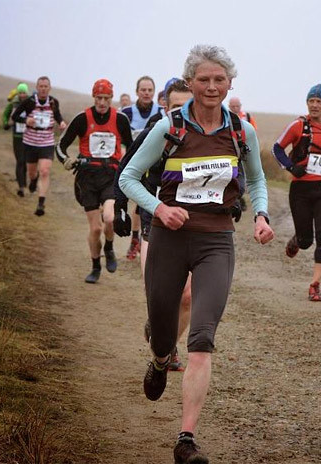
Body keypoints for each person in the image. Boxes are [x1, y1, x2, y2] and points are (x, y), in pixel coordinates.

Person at [120, 44, 274, 464]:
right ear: (189, 82)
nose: (211, 86)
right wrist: (159, 209)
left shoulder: (241, 131)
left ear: (230, 83)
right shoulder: (169, 127)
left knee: (202, 340)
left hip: (216, 241)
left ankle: (186, 439)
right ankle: (159, 358)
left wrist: (261, 215)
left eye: (219, 79)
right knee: (163, 333)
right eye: (203, 79)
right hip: (169, 239)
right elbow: (129, 177)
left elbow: (257, 180)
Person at [114, 78, 194, 371]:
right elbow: (126, 169)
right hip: (154, 219)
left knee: (187, 296)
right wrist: (121, 208)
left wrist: (235, 199)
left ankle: (169, 346)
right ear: (165, 105)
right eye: (176, 106)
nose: (181, 112)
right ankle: (159, 322)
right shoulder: (154, 132)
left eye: (187, 106)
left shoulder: (203, 135)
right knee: (157, 293)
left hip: (191, 221)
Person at [272, 83, 321, 301]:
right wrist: (291, 167)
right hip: (300, 190)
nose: (314, 105)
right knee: (306, 241)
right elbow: (277, 148)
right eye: (311, 101)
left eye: (319, 101)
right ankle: (298, 239)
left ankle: (315, 285)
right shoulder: (298, 126)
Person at [56, 79, 133, 283]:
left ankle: (109, 247)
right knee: (95, 228)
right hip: (87, 177)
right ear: (93, 97)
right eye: (99, 98)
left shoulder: (120, 119)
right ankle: (95, 266)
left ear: (111, 98)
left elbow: (132, 147)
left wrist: (128, 166)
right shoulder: (82, 118)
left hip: (110, 176)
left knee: (109, 217)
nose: (102, 102)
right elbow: (61, 145)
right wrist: (66, 160)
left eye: (106, 98)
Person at [121, 76, 166, 260]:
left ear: (154, 92)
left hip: (154, 164)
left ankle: (141, 238)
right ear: (137, 91)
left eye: (150, 90)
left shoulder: (161, 112)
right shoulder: (126, 113)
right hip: (134, 162)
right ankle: (136, 238)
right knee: (137, 202)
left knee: (143, 202)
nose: (146, 93)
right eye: (143, 90)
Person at [11, 76, 67, 216]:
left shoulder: (53, 102)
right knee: (32, 172)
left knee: (45, 171)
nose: (43, 89)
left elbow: (57, 115)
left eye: (45, 86)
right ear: (37, 88)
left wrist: (61, 122)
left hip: (47, 142)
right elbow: (15, 116)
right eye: (41, 86)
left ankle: (41, 204)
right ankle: (33, 179)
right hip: (30, 142)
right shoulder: (29, 102)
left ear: (49, 88)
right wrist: (26, 120)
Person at [2, 82, 30, 197]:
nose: (22, 95)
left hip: (29, 137)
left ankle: (24, 182)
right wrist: (6, 123)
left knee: (26, 161)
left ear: (27, 93)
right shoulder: (13, 104)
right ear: (18, 93)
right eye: (20, 93)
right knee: (20, 161)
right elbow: (5, 114)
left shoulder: (31, 103)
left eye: (24, 92)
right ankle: (21, 187)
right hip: (17, 136)